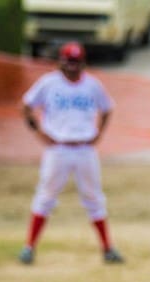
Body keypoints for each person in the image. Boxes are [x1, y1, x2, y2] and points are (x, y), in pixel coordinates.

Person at [19, 41, 122, 265]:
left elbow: (107, 108)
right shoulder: (49, 83)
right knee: (45, 196)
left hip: (85, 148)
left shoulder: (92, 85)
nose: (72, 67)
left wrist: (99, 133)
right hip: (58, 148)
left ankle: (107, 248)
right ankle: (29, 247)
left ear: (82, 63)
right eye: (68, 62)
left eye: (76, 62)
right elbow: (26, 105)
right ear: (60, 62)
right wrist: (38, 131)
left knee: (94, 198)